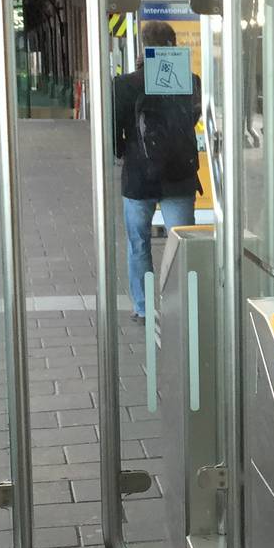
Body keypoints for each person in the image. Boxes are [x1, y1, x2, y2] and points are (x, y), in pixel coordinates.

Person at [113, 20, 203, 324]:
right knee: (182, 246)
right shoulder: (191, 81)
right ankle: (182, 307)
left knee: (138, 243)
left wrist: (125, 152)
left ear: (142, 46)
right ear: (173, 44)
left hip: (139, 176)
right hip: (179, 174)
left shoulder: (125, 84)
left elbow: (116, 133)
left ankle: (143, 307)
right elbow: (190, 122)